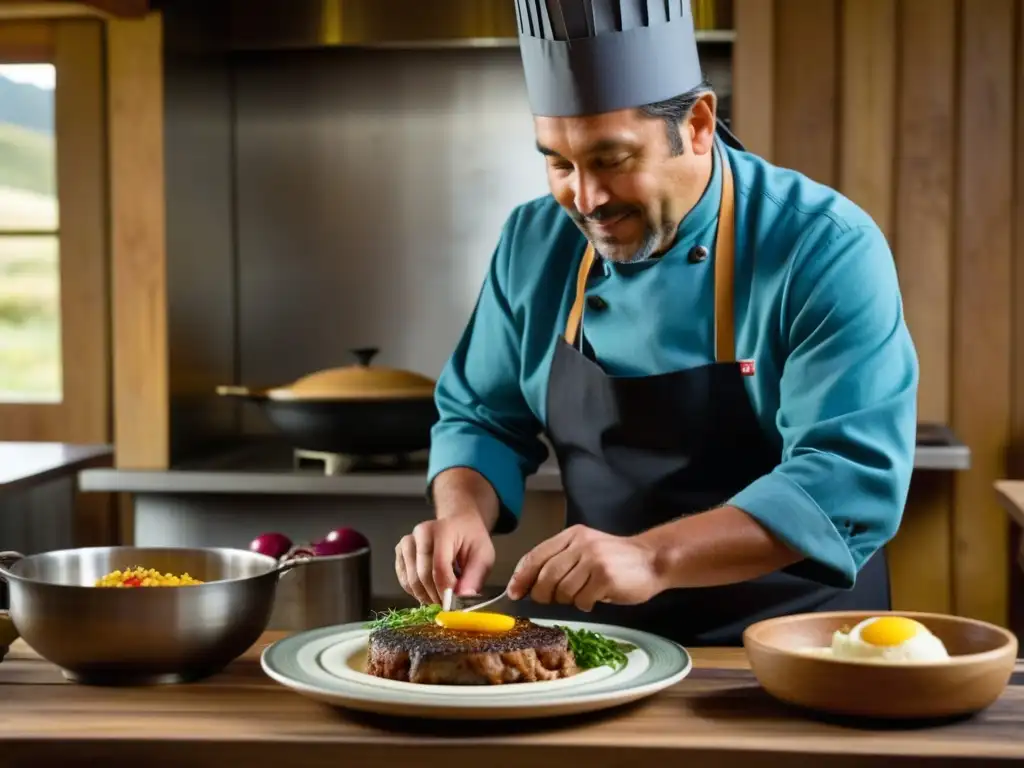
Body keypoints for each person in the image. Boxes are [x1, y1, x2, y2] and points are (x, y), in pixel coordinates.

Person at [394, 0, 919, 646]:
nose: (585, 200)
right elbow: (481, 415)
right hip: (602, 650)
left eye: (611, 160)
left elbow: (846, 480)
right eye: (559, 162)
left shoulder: (821, 246)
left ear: (698, 124)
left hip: (797, 648)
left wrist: (651, 558)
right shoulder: (535, 242)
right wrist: (462, 511)